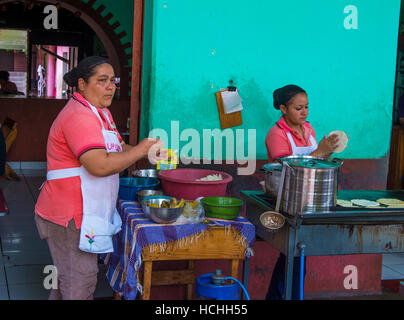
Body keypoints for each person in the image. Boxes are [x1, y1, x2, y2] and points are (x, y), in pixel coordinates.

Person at [34, 56, 166, 300]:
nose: (110, 87)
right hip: (68, 216)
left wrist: (145, 151)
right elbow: (99, 164)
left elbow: (118, 147)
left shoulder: (100, 112)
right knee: (79, 283)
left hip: (81, 211)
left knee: (68, 281)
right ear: (82, 84)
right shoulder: (79, 116)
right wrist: (140, 150)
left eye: (113, 81)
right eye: (102, 81)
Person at [265, 84, 340, 300]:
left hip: (311, 200)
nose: (304, 112)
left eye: (306, 107)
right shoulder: (276, 134)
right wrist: (320, 152)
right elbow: (288, 168)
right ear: (283, 108)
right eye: (298, 108)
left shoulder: (309, 130)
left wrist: (329, 151)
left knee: (297, 256)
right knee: (293, 256)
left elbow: (319, 163)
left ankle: (281, 296)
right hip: (288, 199)